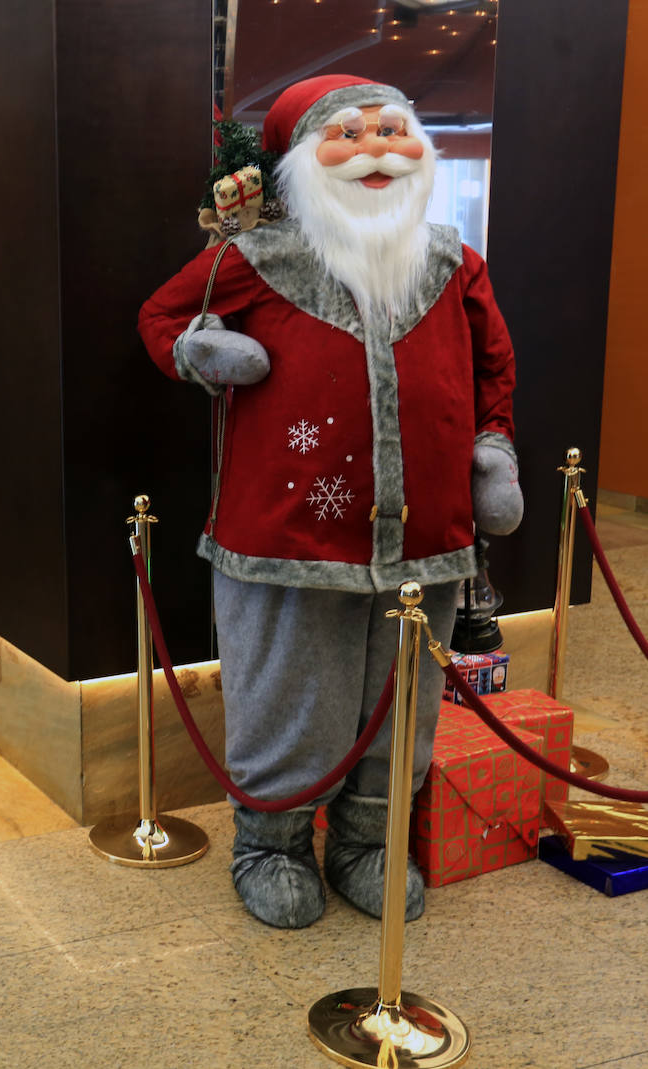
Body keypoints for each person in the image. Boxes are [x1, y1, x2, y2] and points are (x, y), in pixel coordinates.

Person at [138, 75, 522, 929]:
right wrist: (206, 351)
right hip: (291, 540)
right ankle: (270, 843)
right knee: (293, 698)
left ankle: (367, 841)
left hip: (428, 540)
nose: (379, 147)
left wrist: (491, 448)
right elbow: (162, 319)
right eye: (351, 134)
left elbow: (494, 364)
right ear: (305, 163)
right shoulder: (256, 259)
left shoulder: (455, 263)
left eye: (394, 128)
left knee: (402, 703)